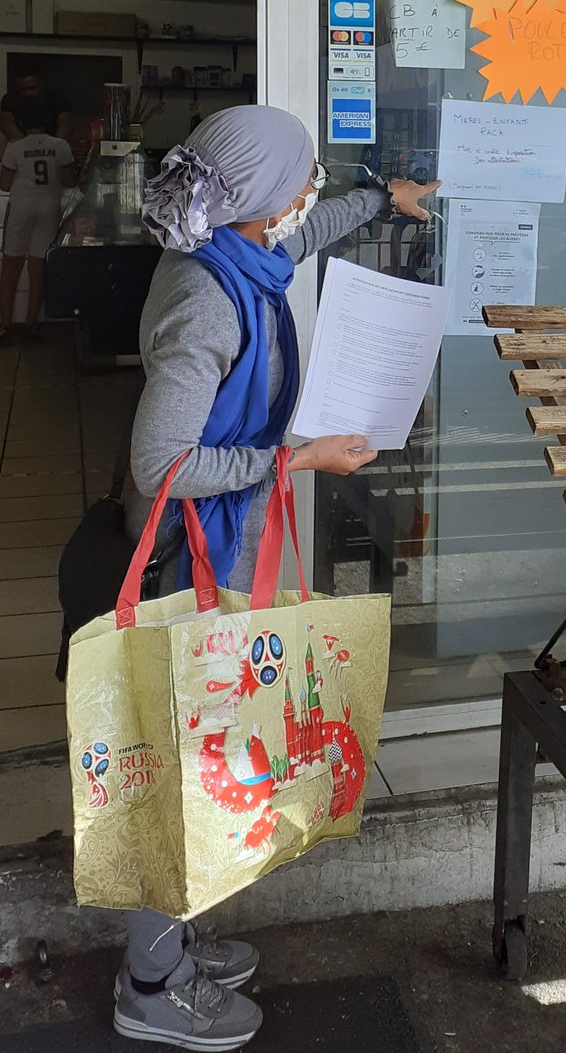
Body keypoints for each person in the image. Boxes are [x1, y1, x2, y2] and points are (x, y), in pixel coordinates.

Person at [113, 105, 440, 1050]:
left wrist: (382, 199)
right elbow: (162, 464)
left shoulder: (237, 254)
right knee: (184, 762)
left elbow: (311, 230)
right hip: (189, 559)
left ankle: (171, 943)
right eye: (298, 176)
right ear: (256, 194)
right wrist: (294, 459)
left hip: (221, 549)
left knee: (209, 748)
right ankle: (150, 984)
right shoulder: (208, 299)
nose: (307, 192)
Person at [0, 97, 75, 346]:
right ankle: (31, 325)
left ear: (21, 122)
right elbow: (69, 181)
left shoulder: (15, 146)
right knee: (38, 268)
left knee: (10, 268)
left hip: (21, 209)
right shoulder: (61, 145)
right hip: (49, 208)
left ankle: (5, 327)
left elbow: (4, 184)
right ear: (49, 121)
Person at [0, 61, 71, 143]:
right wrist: (29, 146)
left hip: (53, 148)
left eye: (32, 88)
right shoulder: (10, 99)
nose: (28, 93)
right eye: (22, 89)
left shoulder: (57, 98)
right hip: (23, 147)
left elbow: (65, 125)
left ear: (42, 83)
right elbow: (5, 125)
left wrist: (54, 147)